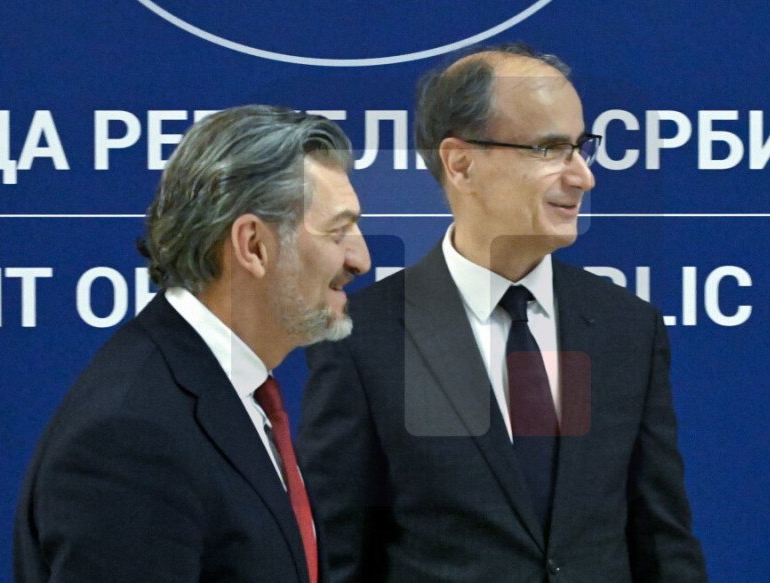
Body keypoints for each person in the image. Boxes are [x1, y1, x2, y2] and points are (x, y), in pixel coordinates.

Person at [296, 44, 707, 582]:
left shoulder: (627, 327)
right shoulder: (361, 338)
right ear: (461, 164)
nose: (583, 177)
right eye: (550, 149)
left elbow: (664, 546)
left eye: (581, 147)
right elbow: (337, 559)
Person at [13, 105, 370, 583]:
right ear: (253, 245)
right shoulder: (132, 436)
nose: (361, 258)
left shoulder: (230, 394)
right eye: (338, 231)